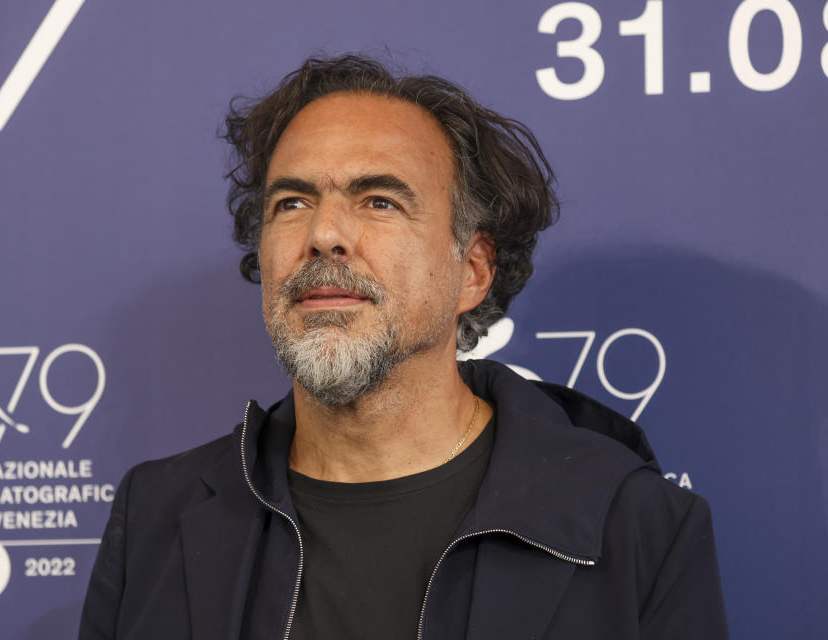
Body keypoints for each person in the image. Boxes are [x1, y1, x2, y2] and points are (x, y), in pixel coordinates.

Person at [79, 55, 729, 639]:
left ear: (472, 271)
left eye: (380, 201)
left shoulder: (634, 522)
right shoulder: (157, 518)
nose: (325, 233)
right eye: (293, 202)